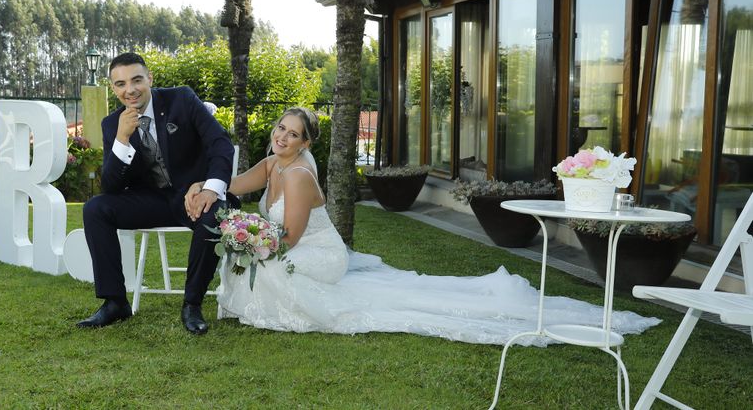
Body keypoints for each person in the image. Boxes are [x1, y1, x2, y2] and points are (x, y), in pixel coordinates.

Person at [187, 107, 660, 343]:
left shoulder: (298, 174)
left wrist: (252, 239)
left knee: (265, 263)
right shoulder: (272, 164)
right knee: (247, 253)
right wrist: (205, 186)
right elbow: (234, 183)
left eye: (293, 134)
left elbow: (286, 238)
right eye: (280, 130)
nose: (282, 138)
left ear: (307, 141)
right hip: (294, 244)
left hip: (316, 253)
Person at [78, 52, 237, 335]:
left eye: (137, 80)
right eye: (121, 84)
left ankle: (192, 304)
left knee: (214, 215)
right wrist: (122, 138)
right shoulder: (111, 124)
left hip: (193, 196)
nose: (130, 90)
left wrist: (210, 189)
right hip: (150, 200)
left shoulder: (182, 100)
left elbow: (220, 144)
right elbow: (112, 187)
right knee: (95, 208)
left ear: (149, 79)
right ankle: (115, 302)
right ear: (113, 88)